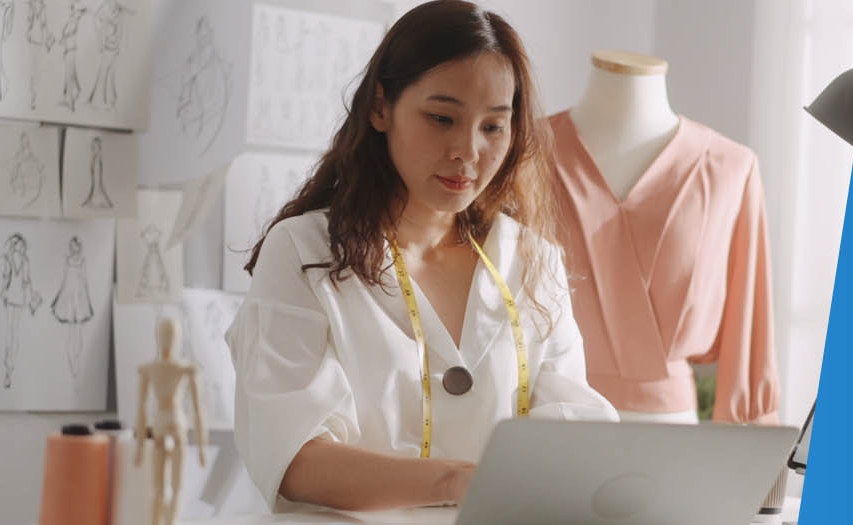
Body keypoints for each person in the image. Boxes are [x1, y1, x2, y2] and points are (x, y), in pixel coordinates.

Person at [225, 0, 617, 513]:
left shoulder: (531, 259)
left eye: (493, 127)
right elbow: (294, 458)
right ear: (380, 107)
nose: (467, 151)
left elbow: (576, 432)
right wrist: (456, 482)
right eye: (441, 118)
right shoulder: (304, 251)